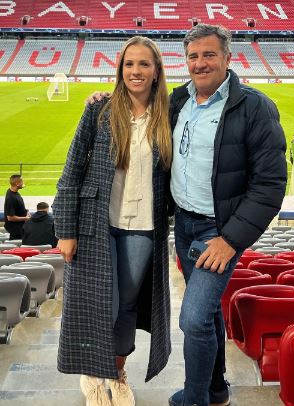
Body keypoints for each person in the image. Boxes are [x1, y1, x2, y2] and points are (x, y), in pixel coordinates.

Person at [168, 24, 287, 406]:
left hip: (218, 231)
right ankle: (217, 388)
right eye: (193, 56)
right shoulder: (177, 101)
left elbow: (270, 185)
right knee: (208, 315)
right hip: (183, 226)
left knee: (193, 318)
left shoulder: (255, 106)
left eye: (208, 55)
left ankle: (197, 398)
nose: (200, 63)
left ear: (227, 58)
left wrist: (229, 239)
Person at [52, 36, 172, 406]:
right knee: (95, 303)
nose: (136, 71)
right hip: (95, 226)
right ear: (120, 69)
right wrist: (65, 231)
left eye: (144, 64)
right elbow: (72, 171)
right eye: (129, 64)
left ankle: (116, 370)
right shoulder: (100, 110)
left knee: (126, 305)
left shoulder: (170, 112)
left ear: (156, 71)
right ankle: (94, 370)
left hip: (143, 228)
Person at [4, 174, 30, 240]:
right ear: (17, 183)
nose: (23, 183)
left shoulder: (13, 191)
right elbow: (10, 217)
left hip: (19, 227)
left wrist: (26, 211)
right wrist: (26, 218)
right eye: (22, 181)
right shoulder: (10, 198)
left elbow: (16, 207)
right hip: (16, 230)